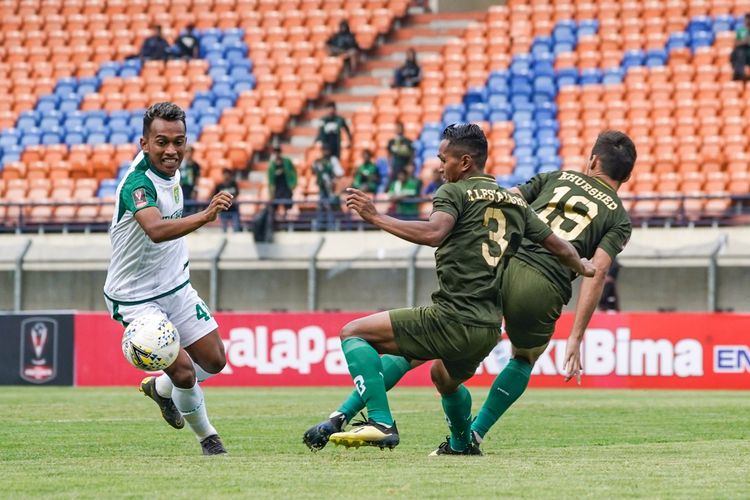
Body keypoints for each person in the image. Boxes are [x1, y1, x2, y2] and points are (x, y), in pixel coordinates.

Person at [302, 130, 635, 455]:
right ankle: (472, 434)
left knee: (420, 350)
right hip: (543, 286)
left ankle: (344, 415)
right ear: (626, 175)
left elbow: (505, 200)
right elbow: (597, 269)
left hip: (500, 264)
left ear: (592, 160)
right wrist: (575, 335)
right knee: (523, 357)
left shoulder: (557, 177)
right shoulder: (618, 217)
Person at [103, 102, 233, 456]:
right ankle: (209, 439)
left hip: (175, 285)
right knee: (186, 374)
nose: (171, 151)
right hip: (136, 297)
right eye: (161, 142)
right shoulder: (138, 183)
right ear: (144, 143)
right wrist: (206, 216)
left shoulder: (172, 171)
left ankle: (159, 390)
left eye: (179, 142)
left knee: (216, 361)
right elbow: (157, 230)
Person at [312, 144, 344, 229]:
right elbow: (314, 170)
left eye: (327, 150)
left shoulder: (332, 160)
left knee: (331, 206)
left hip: (330, 187)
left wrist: (333, 179)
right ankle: (320, 226)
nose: (325, 152)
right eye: (324, 149)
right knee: (321, 205)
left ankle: (331, 226)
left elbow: (340, 173)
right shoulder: (319, 161)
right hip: (322, 187)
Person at [267, 145, 298, 215]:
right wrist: (271, 193)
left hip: (286, 187)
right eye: (275, 152)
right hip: (277, 189)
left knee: (288, 205)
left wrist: (293, 183)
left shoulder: (287, 162)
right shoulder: (272, 166)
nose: (277, 154)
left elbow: (294, 172)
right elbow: (270, 180)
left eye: (278, 152)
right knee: (274, 206)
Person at [213, 168, 241, 232]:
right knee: (224, 229)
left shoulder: (234, 184)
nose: (226, 176)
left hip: (233, 209)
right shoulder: (219, 186)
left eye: (228, 174)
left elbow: (237, 194)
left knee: (236, 228)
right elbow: (215, 196)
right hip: (223, 210)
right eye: (225, 174)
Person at [179, 145, 200, 214]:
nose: (188, 154)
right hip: (181, 188)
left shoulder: (195, 165)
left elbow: (197, 178)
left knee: (190, 207)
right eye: (186, 152)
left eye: (190, 152)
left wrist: (195, 189)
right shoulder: (180, 164)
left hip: (191, 188)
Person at [731, 14, 750, 81]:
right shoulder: (741, 30)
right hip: (743, 53)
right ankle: (739, 74)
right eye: (747, 19)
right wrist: (745, 41)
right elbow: (736, 43)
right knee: (738, 52)